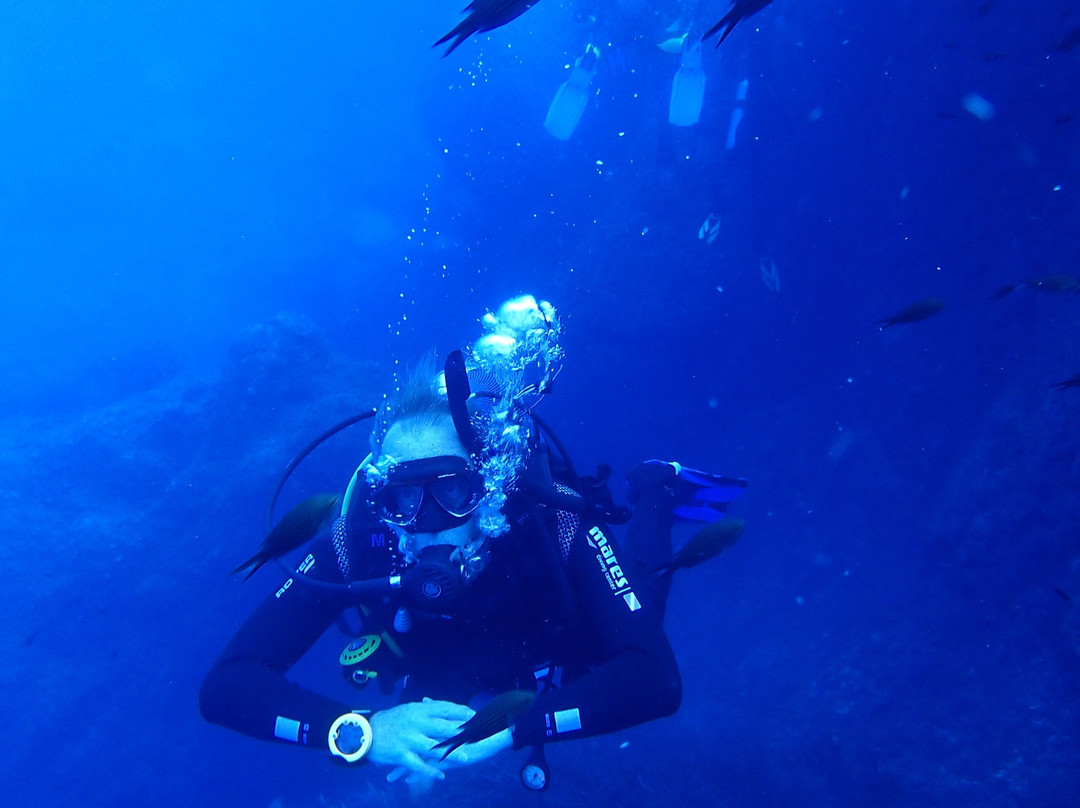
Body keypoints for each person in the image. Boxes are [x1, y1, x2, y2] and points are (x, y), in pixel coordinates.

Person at [199, 295, 738, 789]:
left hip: (546, 640)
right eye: (402, 500)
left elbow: (653, 679)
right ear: (381, 498)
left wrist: (512, 728)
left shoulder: (550, 521)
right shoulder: (360, 539)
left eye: (453, 491)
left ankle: (657, 490)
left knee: (639, 603)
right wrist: (359, 731)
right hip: (441, 664)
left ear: (489, 487)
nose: (428, 520)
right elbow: (228, 685)